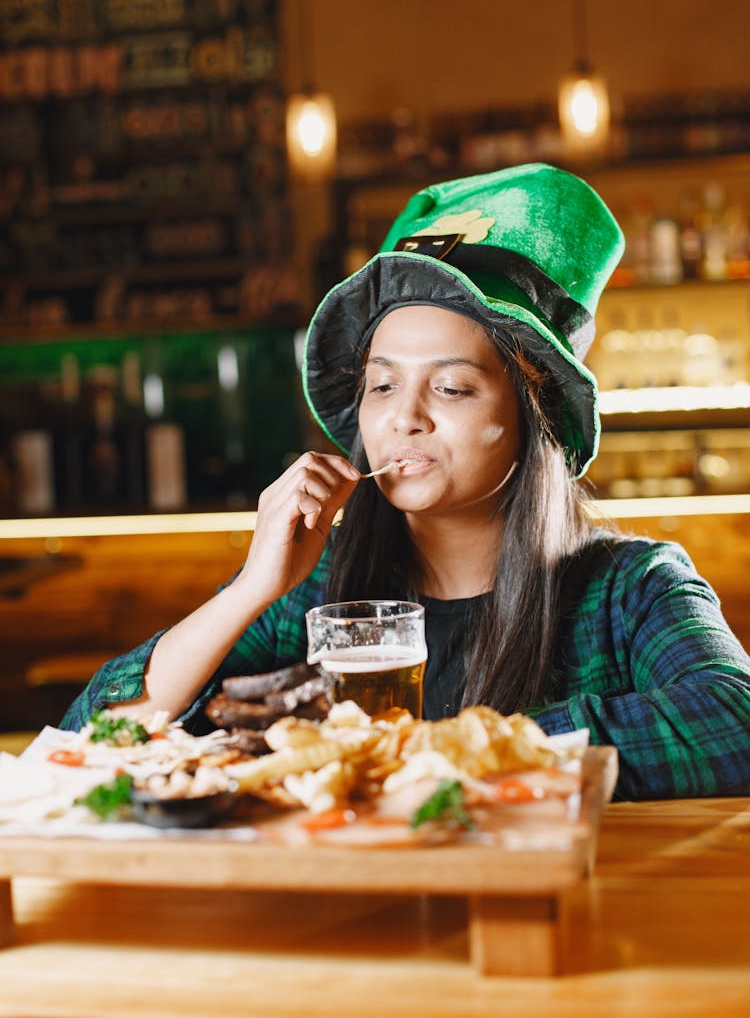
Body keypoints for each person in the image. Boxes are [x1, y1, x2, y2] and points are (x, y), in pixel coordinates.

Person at [61, 163, 750, 801]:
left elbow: (735, 719)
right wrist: (250, 588)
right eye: (382, 383)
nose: (404, 418)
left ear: (532, 414)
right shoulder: (316, 587)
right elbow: (88, 738)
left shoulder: (632, 590)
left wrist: (461, 749)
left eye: (451, 387)